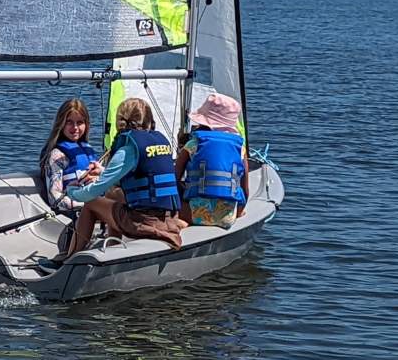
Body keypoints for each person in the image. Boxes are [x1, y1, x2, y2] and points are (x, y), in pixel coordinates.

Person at [55, 98, 187, 261]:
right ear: (149, 122)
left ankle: (69, 261)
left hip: (144, 223)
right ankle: (113, 249)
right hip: (170, 217)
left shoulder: (128, 150)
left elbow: (90, 194)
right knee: (112, 195)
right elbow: (144, 176)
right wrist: (103, 172)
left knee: (91, 205)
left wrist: (71, 191)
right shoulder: (161, 142)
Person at [176, 92, 247, 228]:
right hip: (227, 218)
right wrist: (239, 211)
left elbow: (174, 178)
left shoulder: (193, 144)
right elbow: (245, 189)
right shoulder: (240, 149)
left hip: (194, 215)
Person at [38, 99, 98, 215]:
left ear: (86, 124)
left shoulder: (88, 151)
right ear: (61, 124)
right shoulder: (57, 156)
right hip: (77, 215)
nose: (75, 127)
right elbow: (55, 200)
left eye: (80, 122)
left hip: (98, 210)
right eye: (69, 122)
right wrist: (91, 205)